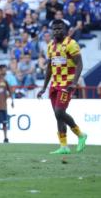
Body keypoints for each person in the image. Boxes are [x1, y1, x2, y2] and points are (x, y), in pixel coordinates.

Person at [37, 20, 87, 154]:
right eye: (54, 29)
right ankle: (64, 146)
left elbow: (80, 64)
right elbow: (49, 67)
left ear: (65, 29)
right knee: (58, 115)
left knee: (60, 111)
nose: (57, 31)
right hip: (54, 84)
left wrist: (74, 82)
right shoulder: (50, 46)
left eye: (60, 28)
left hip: (67, 83)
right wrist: (43, 87)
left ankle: (80, 134)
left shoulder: (71, 44)